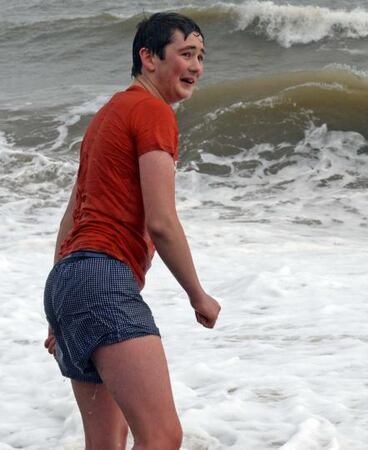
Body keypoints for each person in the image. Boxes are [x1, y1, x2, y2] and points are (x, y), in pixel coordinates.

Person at [42, 12, 221, 449]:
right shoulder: (152, 112)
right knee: (161, 436)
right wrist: (198, 294)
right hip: (103, 281)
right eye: (185, 54)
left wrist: (58, 315)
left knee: (105, 443)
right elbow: (161, 222)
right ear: (149, 57)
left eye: (200, 56)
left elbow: (71, 218)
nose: (196, 66)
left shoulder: (107, 116)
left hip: (67, 282)